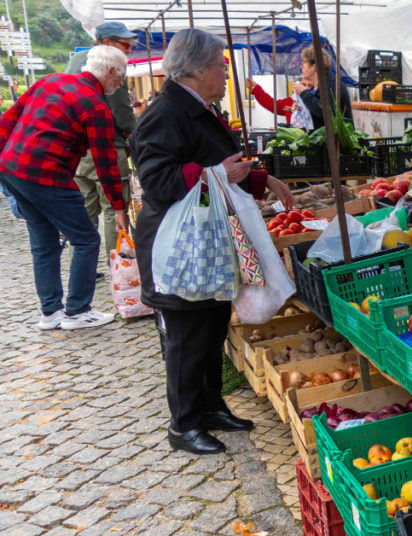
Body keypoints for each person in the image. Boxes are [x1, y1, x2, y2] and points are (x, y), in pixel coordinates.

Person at [132, 29, 295, 455]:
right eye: (221, 65)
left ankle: (210, 406)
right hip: (180, 249)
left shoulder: (198, 108)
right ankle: (183, 425)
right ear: (199, 69)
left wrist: (262, 179)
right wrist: (215, 173)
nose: (225, 73)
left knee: (211, 326)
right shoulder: (165, 112)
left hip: (209, 243)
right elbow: (156, 180)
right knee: (186, 337)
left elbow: (219, 167)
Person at [0, 46, 129, 331]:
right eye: (121, 77)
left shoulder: (49, 81)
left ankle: (50, 313)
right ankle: (77, 311)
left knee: (43, 242)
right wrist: (118, 206)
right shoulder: (97, 106)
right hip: (47, 174)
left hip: (12, 168)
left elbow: (7, 121)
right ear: (109, 72)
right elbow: (106, 162)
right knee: (85, 239)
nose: (120, 84)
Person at [67, 22, 137, 259]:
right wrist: (133, 133)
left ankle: (82, 260)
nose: (128, 50)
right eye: (125, 45)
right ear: (108, 43)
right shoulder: (110, 65)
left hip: (77, 148)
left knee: (84, 208)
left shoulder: (77, 59)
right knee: (113, 209)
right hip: (106, 144)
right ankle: (114, 264)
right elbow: (123, 115)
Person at [293, 46, 353, 130]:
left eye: (304, 63)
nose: (301, 66)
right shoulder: (314, 89)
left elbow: (324, 111)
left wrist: (304, 92)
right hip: (321, 140)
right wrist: (302, 107)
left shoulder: (332, 84)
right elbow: (315, 112)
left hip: (337, 141)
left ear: (314, 66)